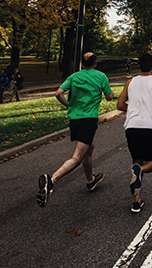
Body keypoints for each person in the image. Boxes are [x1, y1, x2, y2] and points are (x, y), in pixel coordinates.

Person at [37, 52, 114, 207]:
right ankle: (51, 180)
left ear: (81, 63)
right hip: (88, 119)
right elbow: (110, 97)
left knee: (89, 148)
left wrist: (68, 105)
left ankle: (90, 181)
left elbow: (58, 93)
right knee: (77, 157)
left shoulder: (74, 77)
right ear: (95, 63)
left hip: (74, 120)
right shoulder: (100, 76)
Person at [116, 53, 152, 213]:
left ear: (138, 66)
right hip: (149, 127)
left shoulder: (130, 82)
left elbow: (119, 105)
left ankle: (136, 201)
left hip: (131, 127)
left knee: (137, 160)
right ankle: (141, 172)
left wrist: (131, 109)